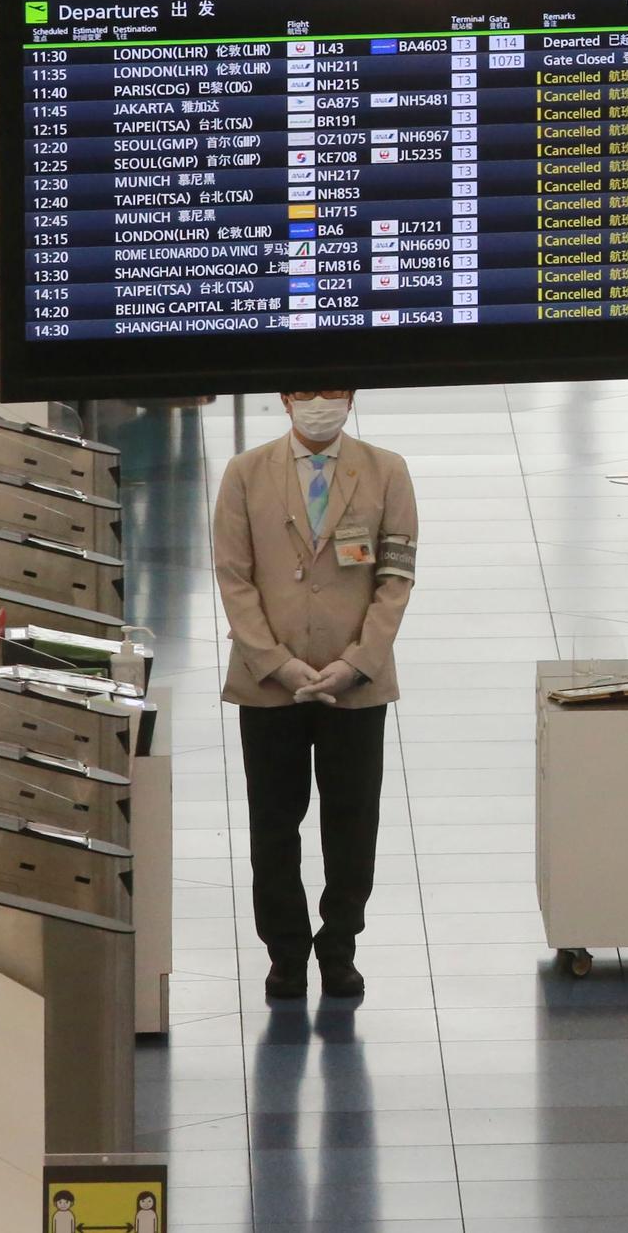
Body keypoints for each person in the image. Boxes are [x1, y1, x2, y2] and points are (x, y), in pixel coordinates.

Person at [214, 388, 417, 1000]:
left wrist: (357, 662)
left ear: (350, 399)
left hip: (356, 686)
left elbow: (396, 576)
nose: (318, 404)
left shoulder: (386, 471)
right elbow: (234, 577)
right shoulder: (246, 474)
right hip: (268, 685)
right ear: (285, 400)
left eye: (331, 392)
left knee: (353, 822)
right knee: (274, 823)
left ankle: (339, 944)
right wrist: (277, 663)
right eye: (306, 393)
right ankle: (284, 952)